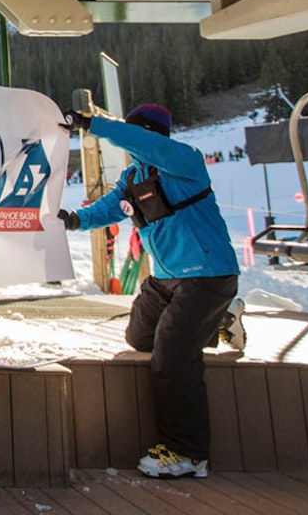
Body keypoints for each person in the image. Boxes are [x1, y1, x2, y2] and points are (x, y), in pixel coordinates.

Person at [59, 103, 241, 480]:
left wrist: (91, 125)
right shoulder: (133, 177)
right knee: (140, 338)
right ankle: (220, 317)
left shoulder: (183, 161)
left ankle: (189, 453)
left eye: (138, 134)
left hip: (207, 275)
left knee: (172, 355)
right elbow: (110, 208)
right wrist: (73, 220)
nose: (133, 143)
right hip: (166, 279)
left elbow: (142, 141)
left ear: (152, 135)